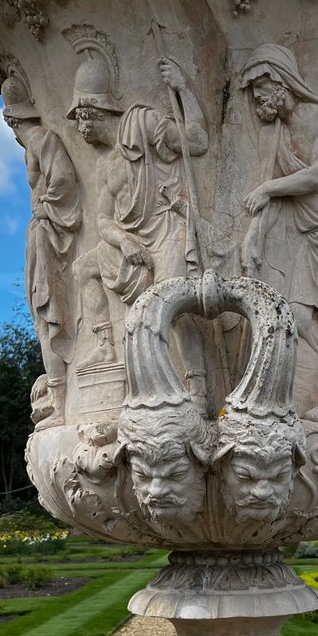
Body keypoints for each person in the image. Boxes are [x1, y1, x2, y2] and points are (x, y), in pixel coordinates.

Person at [68, 54, 210, 409]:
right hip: (132, 240)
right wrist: (124, 239)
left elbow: (197, 141)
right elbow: (102, 221)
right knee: (82, 267)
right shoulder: (105, 165)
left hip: (166, 229)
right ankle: (104, 345)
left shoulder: (144, 124)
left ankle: (198, 388)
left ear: (97, 111)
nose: (80, 129)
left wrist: (183, 89)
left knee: (170, 305)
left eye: (83, 119)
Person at [240, 43, 318, 422]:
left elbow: (316, 175)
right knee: (294, 312)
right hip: (307, 236)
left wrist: (268, 189)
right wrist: (253, 237)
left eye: (261, 92)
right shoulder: (274, 132)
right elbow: (266, 191)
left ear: (281, 82)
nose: (258, 101)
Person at [2, 76, 81, 427]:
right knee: (44, 316)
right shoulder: (34, 145)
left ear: (12, 120)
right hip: (44, 234)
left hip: (51, 234)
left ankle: (64, 405)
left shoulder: (40, 139)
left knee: (49, 315)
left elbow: (63, 180)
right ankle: (61, 399)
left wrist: (45, 208)